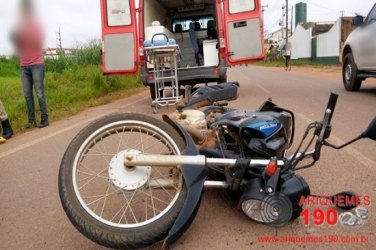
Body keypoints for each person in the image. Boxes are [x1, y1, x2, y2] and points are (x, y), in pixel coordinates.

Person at [11, 0, 49, 129]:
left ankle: (45, 119)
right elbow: (18, 45)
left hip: (37, 64)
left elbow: (38, 44)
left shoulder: (36, 25)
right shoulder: (19, 26)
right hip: (24, 65)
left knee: (39, 93)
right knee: (27, 95)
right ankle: (31, 120)